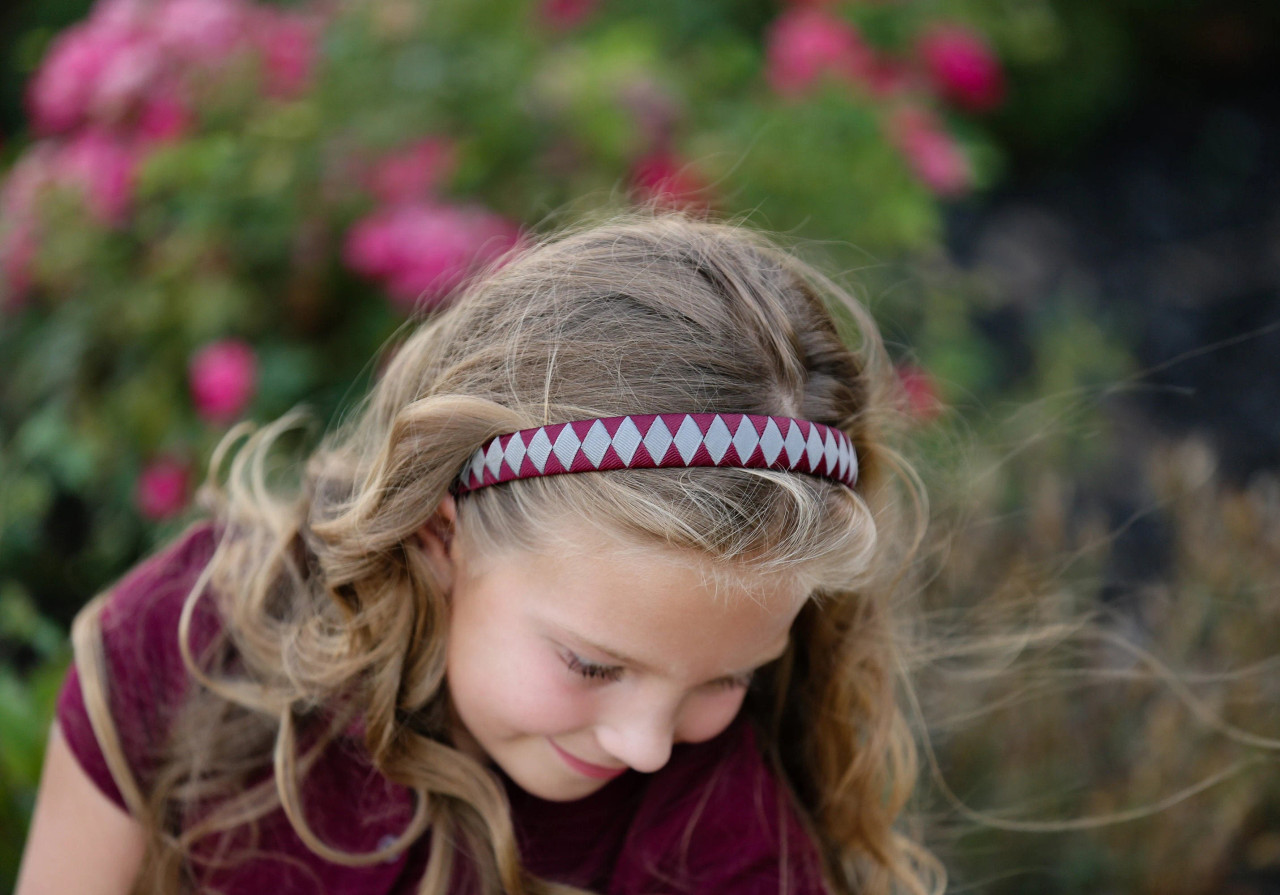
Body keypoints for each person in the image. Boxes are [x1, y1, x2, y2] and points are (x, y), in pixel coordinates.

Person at [16, 213, 941, 895]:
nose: (646, 745)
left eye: (727, 679)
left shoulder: (719, 840)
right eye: (592, 663)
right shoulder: (189, 645)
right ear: (437, 532)